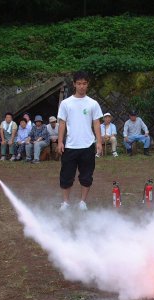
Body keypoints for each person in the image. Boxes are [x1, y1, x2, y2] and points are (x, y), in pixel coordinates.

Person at [57, 70, 103, 210]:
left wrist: (99, 142)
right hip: (70, 145)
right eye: (79, 83)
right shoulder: (66, 103)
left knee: (86, 176)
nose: (81, 86)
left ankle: (83, 202)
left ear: (87, 84)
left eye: (84, 83)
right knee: (66, 176)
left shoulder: (93, 103)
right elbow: (62, 123)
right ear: (74, 84)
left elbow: (96, 123)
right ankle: (65, 202)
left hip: (87, 145)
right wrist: (60, 141)